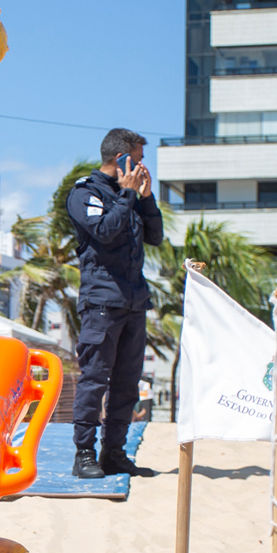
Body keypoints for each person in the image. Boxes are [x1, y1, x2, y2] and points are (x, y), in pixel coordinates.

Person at [67, 128, 162, 479]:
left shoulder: (132, 195)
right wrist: (126, 194)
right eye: (137, 159)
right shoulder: (85, 193)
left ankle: (114, 453)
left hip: (135, 302)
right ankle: (84, 455)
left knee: (127, 381)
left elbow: (155, 236)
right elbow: (104, 231)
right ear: (120, 158)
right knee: (95, 379)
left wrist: (146, 198)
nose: (140, 166)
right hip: (102, 302)